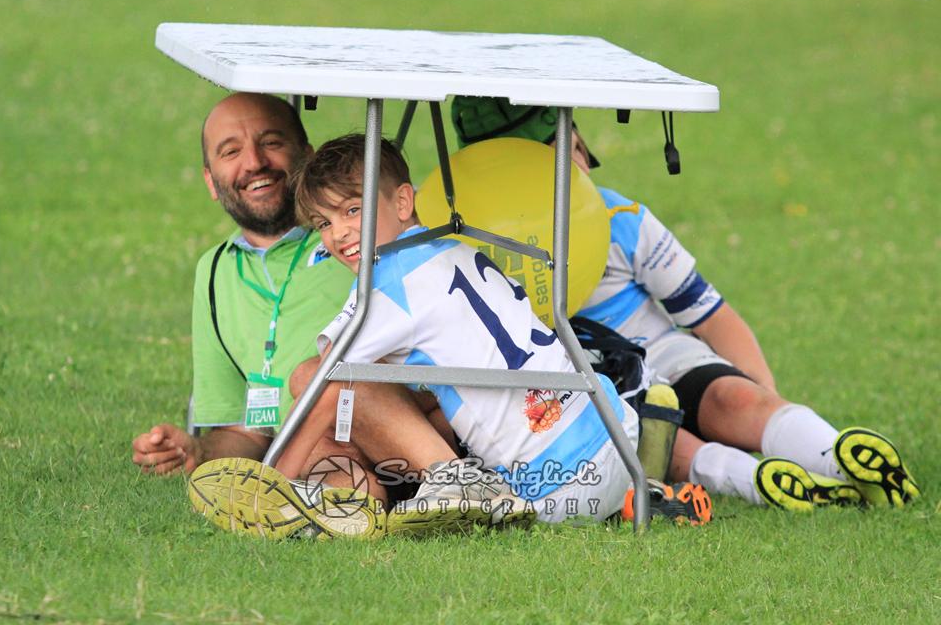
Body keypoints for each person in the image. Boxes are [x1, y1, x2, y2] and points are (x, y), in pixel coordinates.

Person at [449, 97, 921, 511]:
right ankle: (760, 482)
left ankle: (837, 457)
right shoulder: (469, 243)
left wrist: (766, 393)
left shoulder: (620, 218)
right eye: (552, 157)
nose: (577, 165)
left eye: (574, 147)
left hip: (663, 352)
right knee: (651, 428)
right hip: (588, 379)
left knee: (733, 398)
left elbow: (712, 316)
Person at [277, 133, 713, 531]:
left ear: (403, 202)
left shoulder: (386, 286)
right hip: (616, 440)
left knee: (317, 375)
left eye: (353, 210)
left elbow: (328, 381)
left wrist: (276, 477)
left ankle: (459, 485)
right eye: (323, 223)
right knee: (416, 396)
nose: (338, 234)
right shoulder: (451, 247)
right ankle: (638, 494)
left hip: (552, 484)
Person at [130, 93, 464, 538]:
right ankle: (351, 509)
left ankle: (447, 483)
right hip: (313, 442)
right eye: (231, 152)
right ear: (211, 181)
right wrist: (196, 450)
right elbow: (246, 430)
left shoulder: (355, 234)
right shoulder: (214, 271)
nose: (254, 162)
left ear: (306, 156)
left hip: (411, 424)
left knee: (318, 379)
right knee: (330, 459)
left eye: (271, 142)